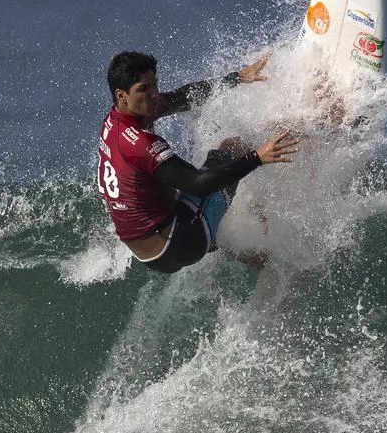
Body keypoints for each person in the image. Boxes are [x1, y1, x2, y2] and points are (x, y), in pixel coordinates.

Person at [96, 50, 299, 273]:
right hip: (178, 242)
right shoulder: (140, 144)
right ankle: (273, 254)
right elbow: (199, 184)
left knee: (189, 192)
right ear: (121, 95)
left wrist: (237, 77)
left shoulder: (118, 121)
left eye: (155, 84)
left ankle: (247, 255)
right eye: (144, 89)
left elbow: (182, 98)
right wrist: (256, 157)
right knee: (234, 147)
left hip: (149, 251)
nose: (154, 93)